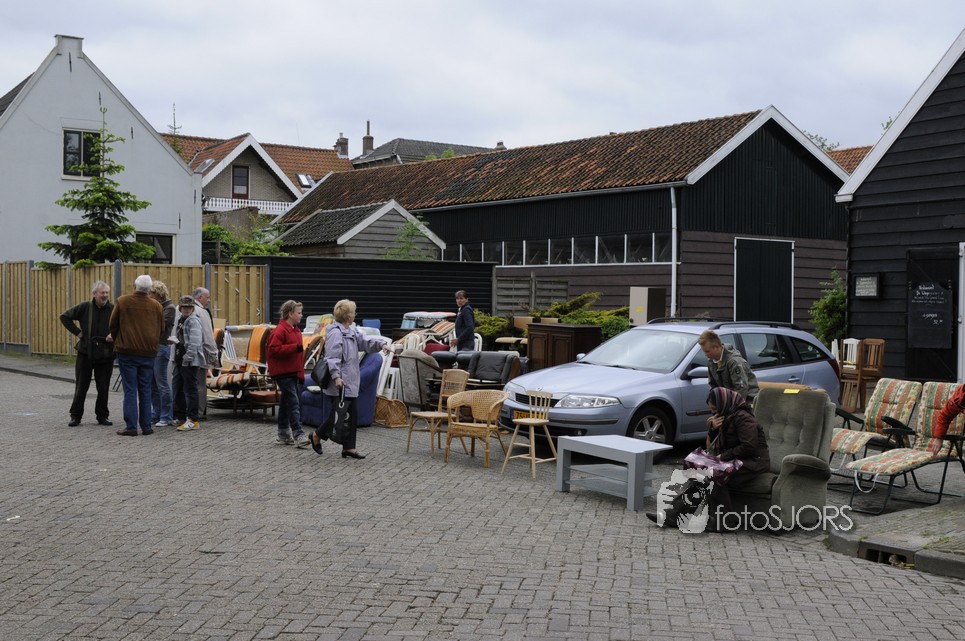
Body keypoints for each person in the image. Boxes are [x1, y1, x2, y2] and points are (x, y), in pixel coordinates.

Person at [648, 388, 770, 531]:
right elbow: (714, 445)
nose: (713, 413)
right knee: (702, 476)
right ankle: (673, 516)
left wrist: (723, 457)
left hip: (753, 462)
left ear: (723, 404)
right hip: (736, 460)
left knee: (713, 477)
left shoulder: (744, 418)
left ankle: (724, 522)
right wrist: (713, 429)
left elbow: (749, 447)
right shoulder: (728, 416)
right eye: (712, 410)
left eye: (715, 409)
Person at [309, 299, 392, 458]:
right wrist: (336, 377)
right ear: (348, 317)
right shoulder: (335, 333)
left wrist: (382, 344)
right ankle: (317, 435)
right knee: (339, 415)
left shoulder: (350, 331)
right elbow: (332, 358)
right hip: (340, 383)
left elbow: (365, 341)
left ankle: (349, 447)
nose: (355, 314)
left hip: (350, 381)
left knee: (351, 414)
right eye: (354, 312)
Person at [109, 274, 165, 436]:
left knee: (130, 389)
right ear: (149, 289)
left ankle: (131, 426)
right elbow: (162, 329)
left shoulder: (123, 301)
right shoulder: (157, 306)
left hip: (127, 351)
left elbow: (113, 324)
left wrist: (119, 340)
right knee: (145, 389)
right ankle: (146, 426)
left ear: (135, 286)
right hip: (148, 353)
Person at [60, 280, 114, 427]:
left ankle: (102, 416)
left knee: (103, 387)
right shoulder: (85, 307)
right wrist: (78, 332)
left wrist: (114, 334)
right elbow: (64, 317)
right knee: (81, 385)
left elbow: (122, 325)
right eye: (102, 293)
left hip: (105, 354)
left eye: (107, 292)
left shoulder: (113, 309)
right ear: (94, 294)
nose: (105, 295)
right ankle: (75, 416)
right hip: (86, 352)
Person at [266, 300, 309, 448]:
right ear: (290, 314)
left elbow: (298, 356)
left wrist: (300, 374)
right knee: (293, 402)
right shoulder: (280, 331)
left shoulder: (295, 330)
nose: (301, 315)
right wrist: (294, 348)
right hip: (283, 372)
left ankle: (283, 434)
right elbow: (273, 350)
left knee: (286, 403)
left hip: (291, 372)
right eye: (299, 313)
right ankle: (298, 434)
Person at [171, 296, 206, 432]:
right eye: (184, 307)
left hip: (189, 362)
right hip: (180, 359)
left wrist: (187, 358)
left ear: (193, 308)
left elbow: (195, 342)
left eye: (189, 307)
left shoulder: (193, 321)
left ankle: (193, 420)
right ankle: (181, 416)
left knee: (190, 390)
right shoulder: (181, 319)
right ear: (180, 308)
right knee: (178, 388)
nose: (187, 309)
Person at [698, 330, 759, 405]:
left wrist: (730, 407)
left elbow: (741, 389)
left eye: (707, 351)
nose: (705, 354)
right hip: (728, 402)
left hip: (747, 402)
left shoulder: (734, 362)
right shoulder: (711, 362)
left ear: (717, 347)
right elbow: (713, 386)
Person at [149, 281, 176, 427]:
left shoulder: (169, 308)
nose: (149, 296)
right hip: (152, 347)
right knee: (153, 384)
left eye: (151, 294)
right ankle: (156, 414)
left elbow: (159, 327)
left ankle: (166, 416)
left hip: (161, 347)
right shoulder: (156, 306)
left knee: (162, 384)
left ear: (158, 294)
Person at [192, 286, 219, 420]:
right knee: (200, 385)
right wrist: (214, 355)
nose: (209, 301)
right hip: (199, 355)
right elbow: (208, 337)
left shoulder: (180, 309)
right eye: (207, 298)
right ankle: (199, 412)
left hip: (183, 356)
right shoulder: (202, 312)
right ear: (200, 297)